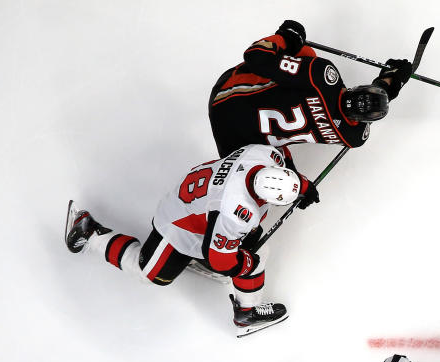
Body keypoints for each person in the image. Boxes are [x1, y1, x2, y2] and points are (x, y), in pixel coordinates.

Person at [64, 143, 317, 336]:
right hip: (179, 224)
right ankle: (89, 232)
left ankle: (245, 310)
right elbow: (220, 259)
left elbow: (282, 153)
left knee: (248, 248)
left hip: (201, 205)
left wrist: (302, 186)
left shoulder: (262, 155)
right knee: (150, 274)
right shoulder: (237, 213)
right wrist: (245, 264)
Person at [208, 19, 414, 160]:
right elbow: (365, 111)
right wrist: (391, 85)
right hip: (233, 148)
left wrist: (286, 37)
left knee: (305, 53)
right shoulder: (353, 137)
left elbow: (255, 57)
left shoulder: (323, 76)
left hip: (226, 97)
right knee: (278, 184)